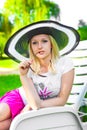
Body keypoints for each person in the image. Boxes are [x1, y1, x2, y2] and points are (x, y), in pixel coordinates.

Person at [0, 20, 80, 130]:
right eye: (34, 43)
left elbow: (62, 100)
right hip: (19, 98)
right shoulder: (29, 66)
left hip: (36, 107)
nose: (39, 46)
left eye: (44, 41)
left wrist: (32, 106)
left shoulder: (65, 64)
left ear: (51, 44)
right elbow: (33, 102)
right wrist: (23, 75)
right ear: (31, 47)